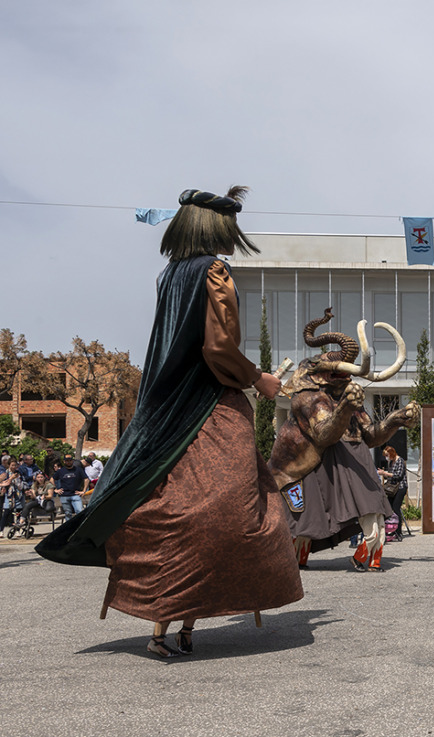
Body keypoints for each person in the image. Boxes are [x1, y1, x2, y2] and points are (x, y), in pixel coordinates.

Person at [36, 186, 303, 658]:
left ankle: (172, 626)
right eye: (227, 226)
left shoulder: (170, 275)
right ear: (214, 226)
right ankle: (179, 622)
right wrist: (258, 379)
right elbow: (217, 349)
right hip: (208, 406)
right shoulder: (214, 272)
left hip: (163, 410)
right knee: (236, 513)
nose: (232, 235)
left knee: (177, 508)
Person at [292, 410, 395, 572]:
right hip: (345, 477)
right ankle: (357, 559)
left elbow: (372, 433)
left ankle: (373, 563)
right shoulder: (329, 416)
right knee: (373, 531)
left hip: (368, 482)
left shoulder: (359, 439)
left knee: (379, 530)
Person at [378, 445, 408, 543]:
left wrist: (385, 473)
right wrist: (384, 474)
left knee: (396, 508)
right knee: (389, 509)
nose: (387, 457)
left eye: (387, 455)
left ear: (392, 453)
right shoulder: (391, 462)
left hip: (400, 487)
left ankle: (398, 532)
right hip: (392, 488)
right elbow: (390, 477)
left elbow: (398, 476)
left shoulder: (400, 460)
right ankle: (391, 529)